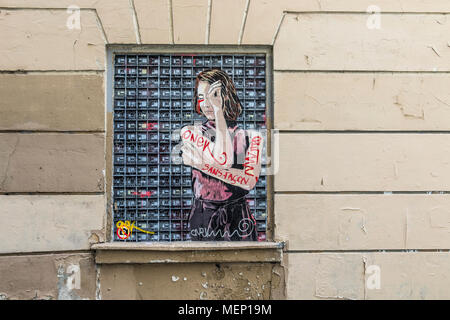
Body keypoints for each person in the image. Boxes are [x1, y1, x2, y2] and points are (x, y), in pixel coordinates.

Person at [179, 68, 263, 241]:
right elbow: (223, 160)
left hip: (239, 217)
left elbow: (248, 182)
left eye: (214, 95)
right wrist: (234, 174)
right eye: (202, 97)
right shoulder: (191, 132)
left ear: (226, 97)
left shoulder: (251, 137)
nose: (207, 103)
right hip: (204, 216)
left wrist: (201, 164)